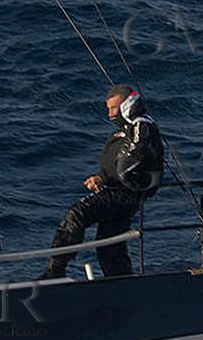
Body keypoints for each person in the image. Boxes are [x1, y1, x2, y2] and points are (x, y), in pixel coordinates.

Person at [41, 86, 163, 279]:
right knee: (109, 245)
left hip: (126, 193)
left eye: (114, 108)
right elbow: (119, 161)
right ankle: (121, 280)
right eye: (108, 109)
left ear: (127, 105)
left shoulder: (141, 125)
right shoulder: (125, 130)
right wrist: (102, 179)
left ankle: (56, 269)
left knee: (78, 213)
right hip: (116, 190)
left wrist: (104, 178)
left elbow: (136, 157)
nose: (110, 114)